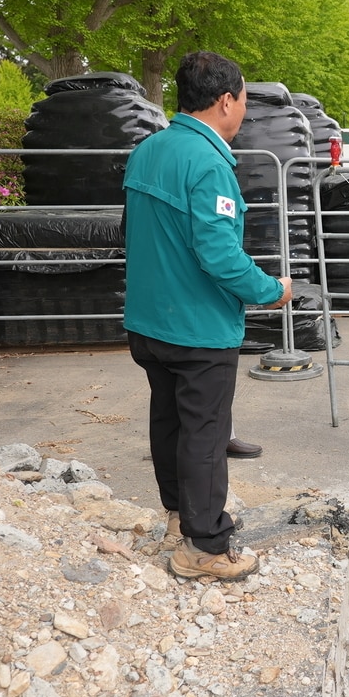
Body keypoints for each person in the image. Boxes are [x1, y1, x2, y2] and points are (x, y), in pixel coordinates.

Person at [123, 51, 291, 582]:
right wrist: (271, 290)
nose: (242, 111)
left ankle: (179, 519)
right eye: (241, 101)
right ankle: (206, 547)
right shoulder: (209, 163)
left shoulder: (147, 150)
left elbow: (133, 233)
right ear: (225, 101)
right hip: (198, 328)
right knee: (205, 433)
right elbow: (219, 256)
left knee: (168, 422)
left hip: (149, 322)